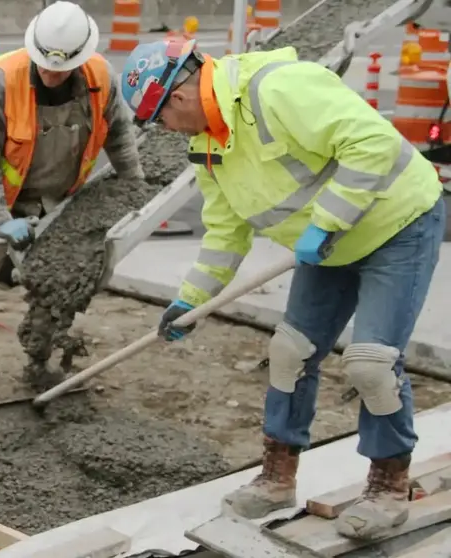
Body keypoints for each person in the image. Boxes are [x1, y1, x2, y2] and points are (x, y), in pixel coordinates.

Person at [118, 37, 445, 539]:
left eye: (159, 119)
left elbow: (372, 144)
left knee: (371, 363)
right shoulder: (207, 146)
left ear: (177, 97)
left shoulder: (279, 88)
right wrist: (191, 300)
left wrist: (328, 220)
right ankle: (276, 477)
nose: (165, 129)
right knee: (290, 352)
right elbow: (225, 233)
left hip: (398, 224)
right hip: (330, 244)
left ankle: (388, 484)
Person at [0, 0, 145, 403]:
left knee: (58, 282)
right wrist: (0, 219)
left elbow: (119, 133)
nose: (51, 73)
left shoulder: (101, 77)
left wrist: (134, 183)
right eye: (45, 64)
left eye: (61, 68)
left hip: (57, 198)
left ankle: (39, 363)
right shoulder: (1, 82)